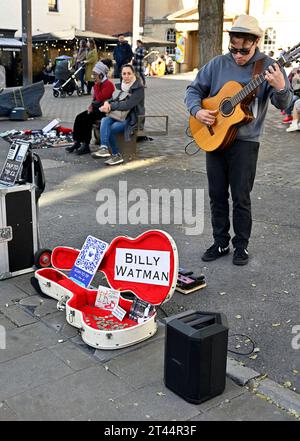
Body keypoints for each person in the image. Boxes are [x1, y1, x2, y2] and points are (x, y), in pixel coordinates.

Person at [185, 14, 293, 265]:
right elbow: (193, 90)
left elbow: (284, 104)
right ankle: (220, 242)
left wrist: (280, 87)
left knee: (241, 197)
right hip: (214, 138)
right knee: (216, 194)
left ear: (256, 42)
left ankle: (241, 245)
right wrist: (197, 111)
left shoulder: (269, 68)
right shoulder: (217, 64)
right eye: (233, 49)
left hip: (246, 142)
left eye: (243, 50)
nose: (237, 55)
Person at [91, 64, 145, 166]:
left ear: (134, 74)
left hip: (132, 119)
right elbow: (112, 99)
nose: (126, 76)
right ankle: (104, 148)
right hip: (118, 115)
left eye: (129, 73)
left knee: (112, 127)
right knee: (105, 120)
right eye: (124, 74)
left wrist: (111, 106)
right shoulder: (121, 86)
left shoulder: (139, 89)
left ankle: (116, 155)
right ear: (121, 75)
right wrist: (107, 103)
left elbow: (127, 105)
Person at [66, 61, 115, 155]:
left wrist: (96, 86)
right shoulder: (99, 84)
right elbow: (95, 100)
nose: (93, 77)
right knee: (79, 117)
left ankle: (86, 145)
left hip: (105, 110)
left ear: (101, 75)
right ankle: (77, 142)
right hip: (97, 109)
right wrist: (91, 106)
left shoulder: (108, 85)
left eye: (95, 74)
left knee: (87, 119)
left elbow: (101, 98)